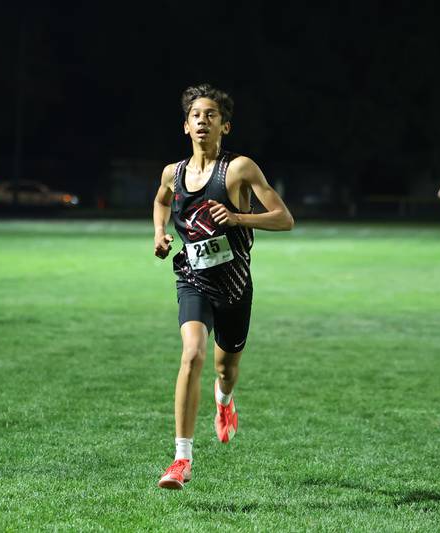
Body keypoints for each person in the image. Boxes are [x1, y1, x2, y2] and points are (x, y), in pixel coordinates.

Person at [152, 84, 294, 490]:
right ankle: (181, 460)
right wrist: (160, 233)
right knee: (192, 354)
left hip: (234, 286)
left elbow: (284, 219)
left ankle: (225, 401)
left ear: (224, 126)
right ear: (185, 125)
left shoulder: (239, 169)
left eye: (211, 115)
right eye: (196, 115)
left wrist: (237, 219)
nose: (202, 121)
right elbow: (162, 200)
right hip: (192, 279)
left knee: (224, 370)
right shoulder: (173, 173)